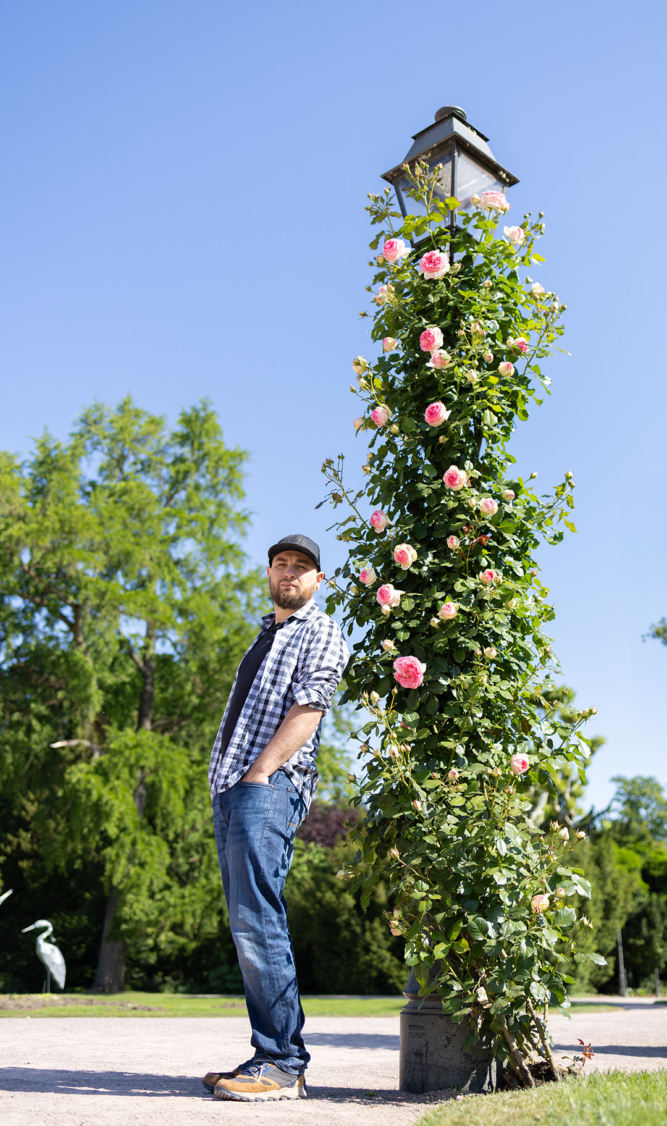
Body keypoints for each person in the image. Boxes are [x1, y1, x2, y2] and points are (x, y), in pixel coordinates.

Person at [203, 534, 349, 1103]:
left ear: (318, 581)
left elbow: (310, 706)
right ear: (269, 573)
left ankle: (283, 1063)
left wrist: (262, 771)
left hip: (268, 787)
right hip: (234, 790)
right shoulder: (264, 636)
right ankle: (269, 1053)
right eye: (281, 563)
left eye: (302, 566)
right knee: (247, 923)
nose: (289, 571)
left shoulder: (320, 630)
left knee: (258, 921)